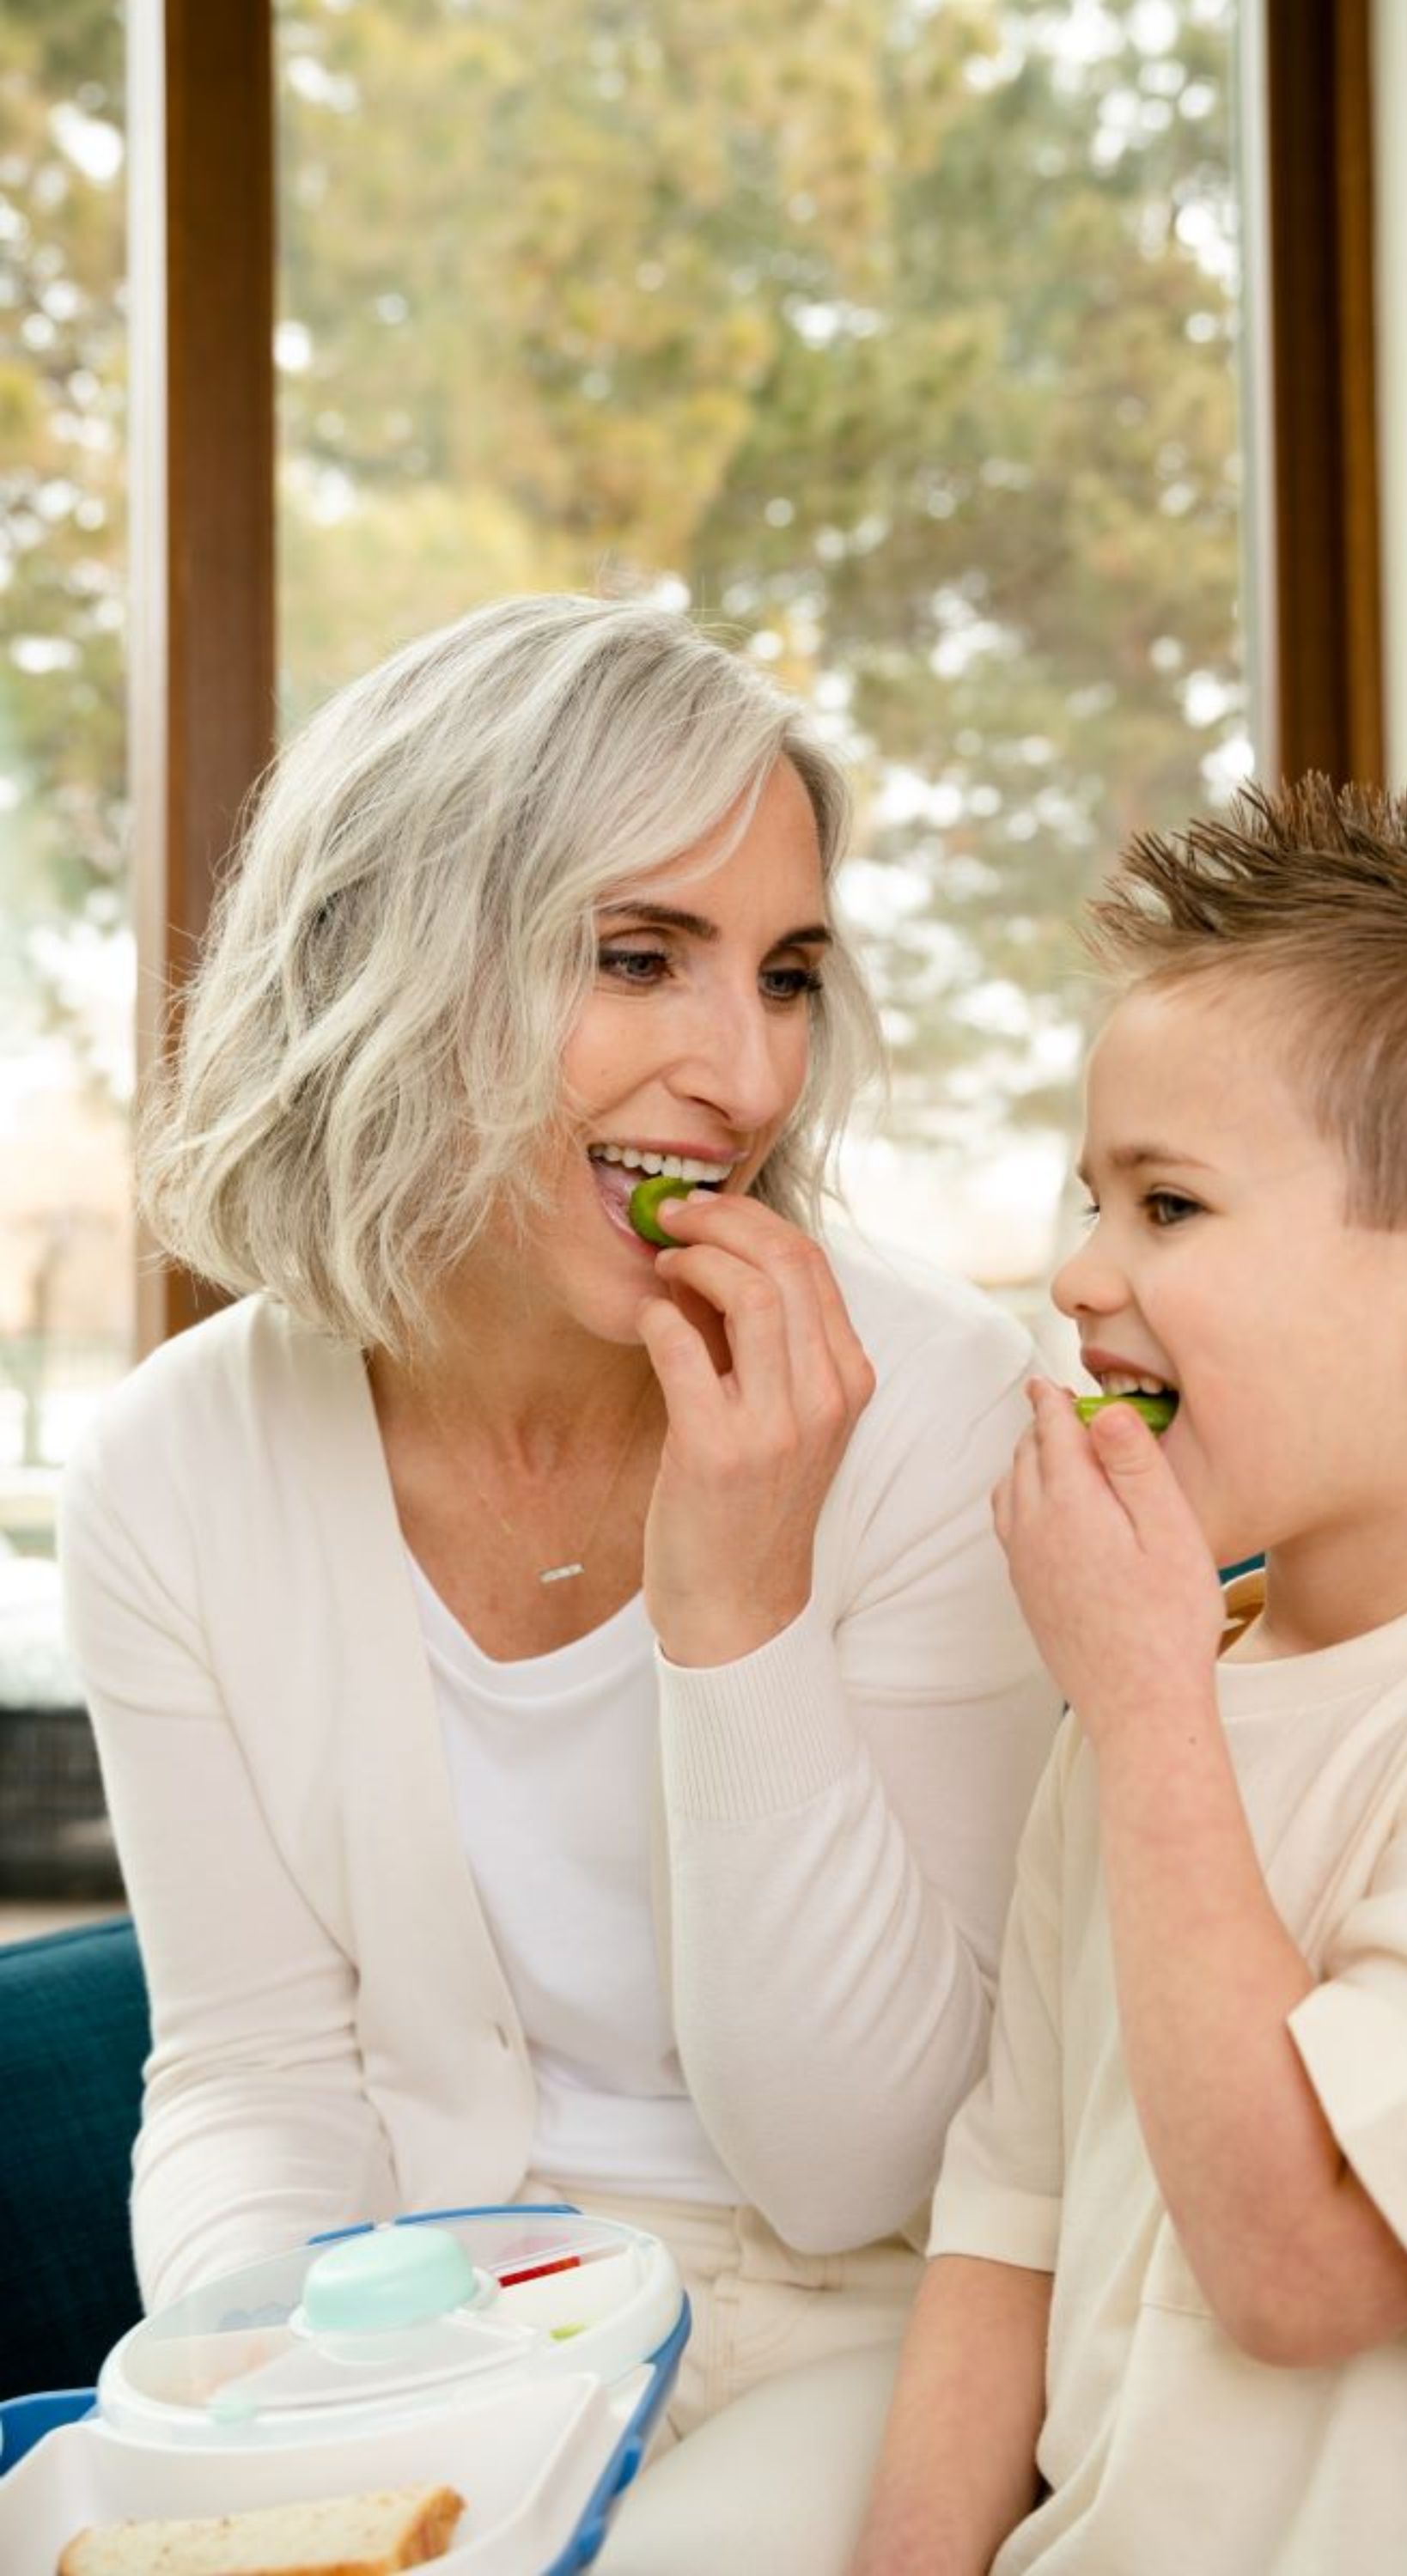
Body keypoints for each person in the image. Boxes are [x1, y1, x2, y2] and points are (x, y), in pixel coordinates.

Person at [58, 594, 1061, 2569]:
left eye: (782, 976)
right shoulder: (173, 1470)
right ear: (395, 965)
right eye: (636, 960)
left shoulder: (938, 1405)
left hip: (873, 2332)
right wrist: (261, 2391)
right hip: (436, 2325)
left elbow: (860, 2169)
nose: (745, 1075)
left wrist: (738, 1602)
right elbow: (254, 2069)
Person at [851, 778, 1407, 2576]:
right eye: (1088, 1199)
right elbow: (1006, 2228)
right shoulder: (1145, 1695)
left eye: (1167, 1206)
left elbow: (1302, 2270)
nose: (1080, 1273)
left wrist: (1151, 1703)